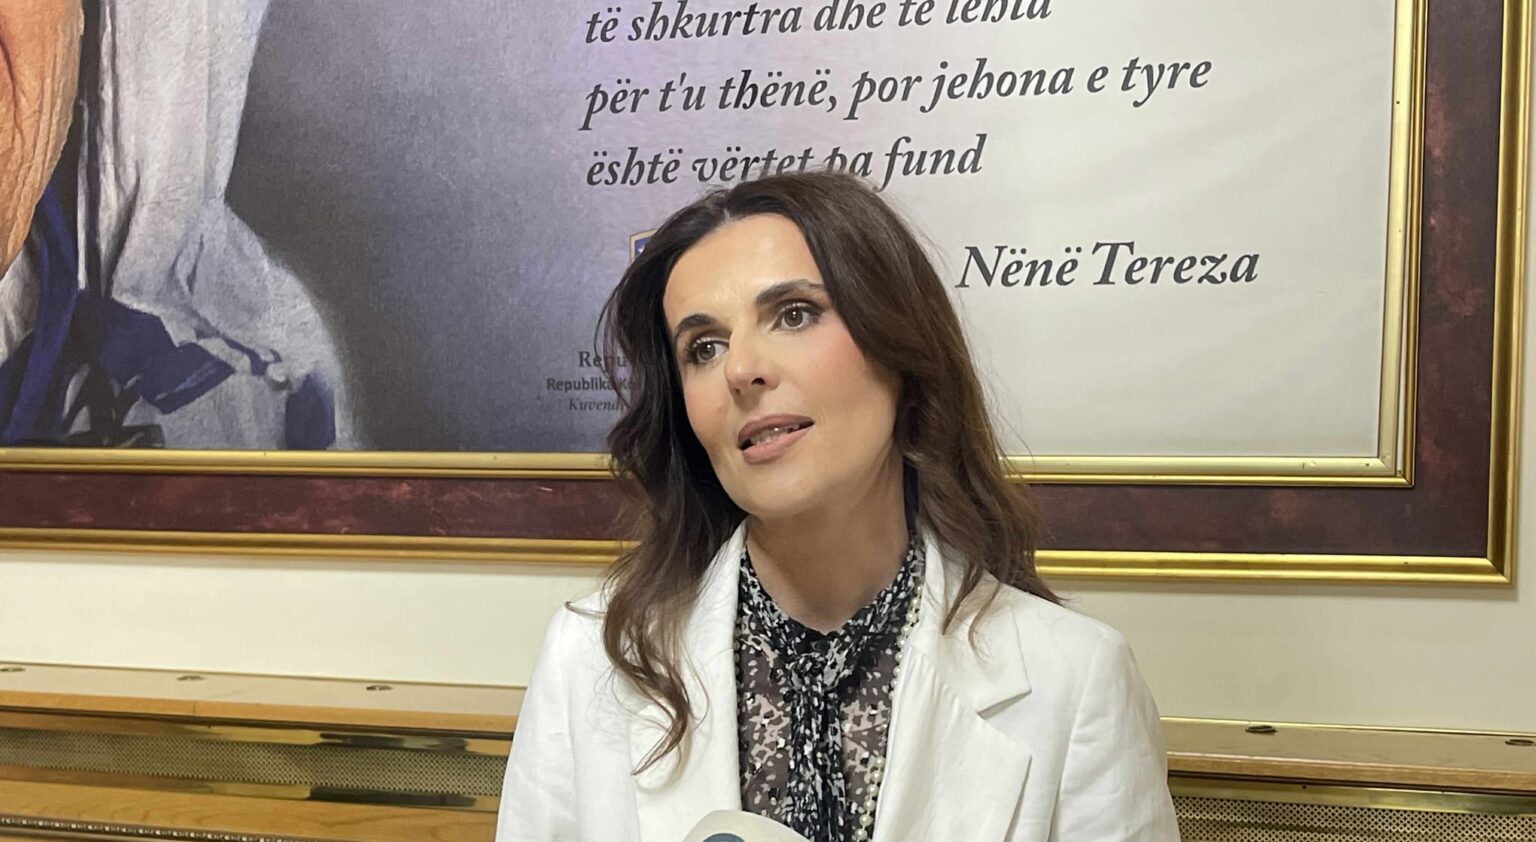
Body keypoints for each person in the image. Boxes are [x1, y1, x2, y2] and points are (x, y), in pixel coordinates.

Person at [497, 172, 1180, 841]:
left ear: (900, 347)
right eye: (704, 348)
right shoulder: (590, 658)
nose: (741, 370)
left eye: (794, 314)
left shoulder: (1076, 679)